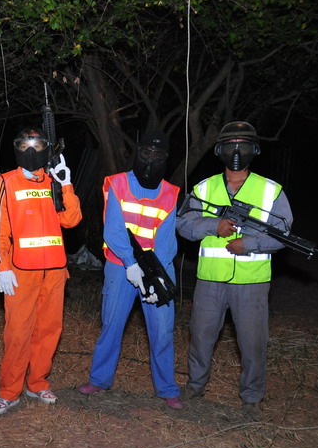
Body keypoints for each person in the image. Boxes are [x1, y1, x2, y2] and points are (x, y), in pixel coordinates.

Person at [176, 121, 292, 420]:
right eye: (230, 145)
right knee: (201, 335)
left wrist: (250, 243)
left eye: (243, 145)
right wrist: (214, 225)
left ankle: (252, 397)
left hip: (251, 282)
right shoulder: (204, 187)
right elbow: (184, 224)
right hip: (210, 279)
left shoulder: (270, 190)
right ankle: (195, 386)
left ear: (254, 150)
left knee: (253, 342)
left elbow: (283, 236)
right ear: (219, 151)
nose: (236, 151)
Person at [78, 131, 184, 409]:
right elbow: (113, 230)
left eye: (158, 155)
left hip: (157, 267)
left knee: (162, 329)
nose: (151, 159)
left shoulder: (170, 192)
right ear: (138, 153)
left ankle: (167, 388)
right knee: (111, 324)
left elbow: (167, 241)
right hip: (120, 267)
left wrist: (156, 277)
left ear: (166, 158)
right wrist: (131, 263)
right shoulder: (118, 183)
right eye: (146, 152)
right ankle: (99, 380)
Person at [0, 127, 82, 415]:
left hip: (55, 271)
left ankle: (38, 383)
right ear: (16, 149)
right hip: (21, 272)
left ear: (47, 149)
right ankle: (9, 391)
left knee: (49, 331)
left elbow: (71, 220)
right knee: (18, 333)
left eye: (37, 146)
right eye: (24, 146)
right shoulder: (7, 181)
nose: (31, 152)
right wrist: (3, 266)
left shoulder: (54, 180)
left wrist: (66, 185)